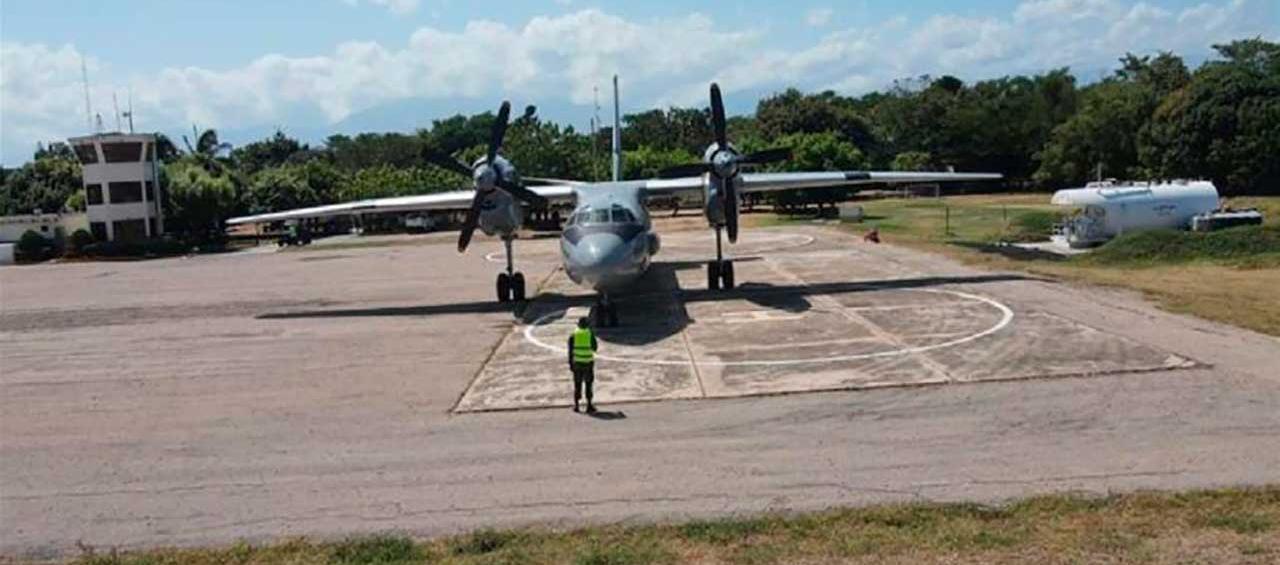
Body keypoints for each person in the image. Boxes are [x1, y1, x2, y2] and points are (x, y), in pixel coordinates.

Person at [568, 316, 599, 413]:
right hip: (588, 363)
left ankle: (576, 405)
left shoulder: (573, 335)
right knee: (588, 384)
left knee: (577, 384)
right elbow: (595, 348)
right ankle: (589, 405)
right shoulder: (590, 334)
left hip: (577, 362)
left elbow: (570, 351)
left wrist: (570, 364)